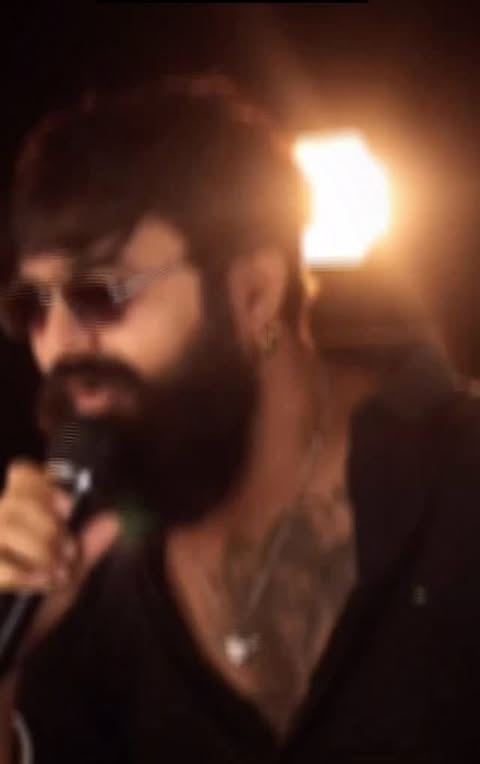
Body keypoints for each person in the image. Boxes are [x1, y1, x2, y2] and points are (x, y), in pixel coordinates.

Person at [0, 76, 478, 764]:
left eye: (100, 294)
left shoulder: (458, 475)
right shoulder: (74, 583)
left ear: (254, 293)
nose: (58, 346)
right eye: (32, 307)